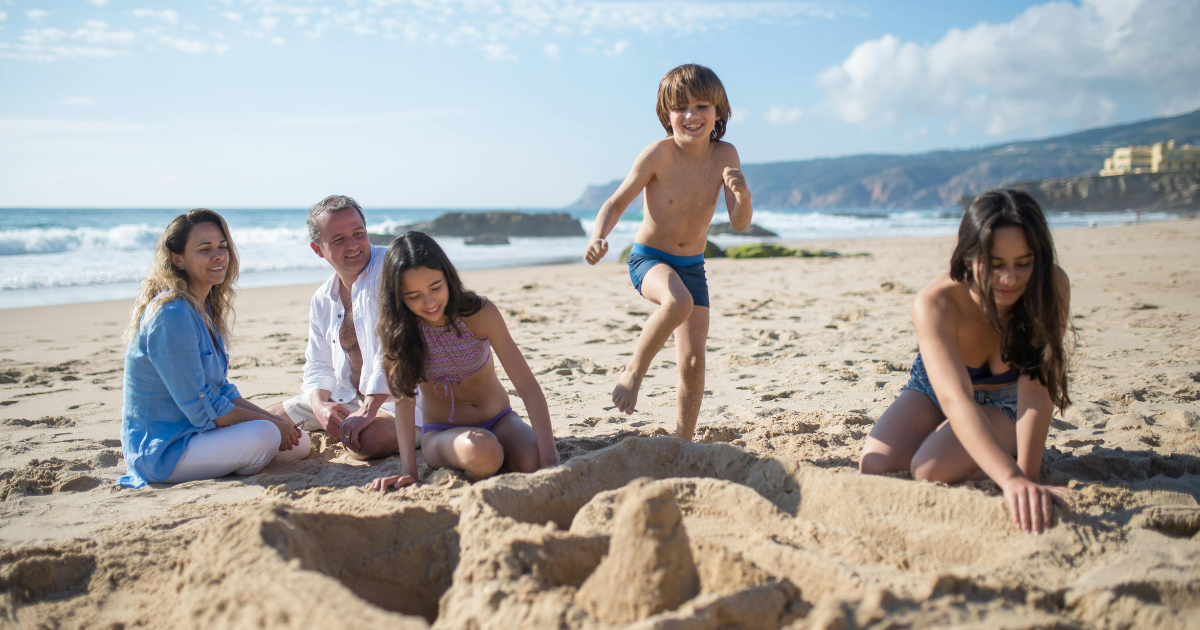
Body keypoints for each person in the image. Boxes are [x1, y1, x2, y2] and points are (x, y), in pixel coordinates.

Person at [859, 189, 1074, 535]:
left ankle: (1004, 446)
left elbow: (1036, 388)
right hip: (937, 387)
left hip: (1009, 401)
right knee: (876, 465)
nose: (1009, 279)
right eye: (996, 264)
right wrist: (1010, 476)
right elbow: (954, 399)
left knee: (928, 470)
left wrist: (1022, 479)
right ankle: (984, 451)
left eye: (1023, 263)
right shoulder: (935, 302)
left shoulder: (1051, 286)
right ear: (968, 256)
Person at [583, 63, 752, 441]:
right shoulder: (657, 154)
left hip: (692, 264)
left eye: (701, 107)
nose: (691, 116)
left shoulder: (725, 154)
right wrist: (598, 235)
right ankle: (633, 372)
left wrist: (742, 195)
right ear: (666, 114)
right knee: (677, 302)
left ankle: (683, 442)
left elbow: (739, 223)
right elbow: (616, 201)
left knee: (693, 361)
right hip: (650, 259)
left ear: (718, 112)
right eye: (681, 108)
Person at [119, 209, 309, 488]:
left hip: (200, 435)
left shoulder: (203, 307)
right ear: (177, 258)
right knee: (266, 435)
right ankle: (240, 460)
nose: (218, 255)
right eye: (204, 249)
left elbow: (222, 391)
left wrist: (279, 422)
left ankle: (240, 457)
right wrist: (273, 426)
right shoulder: (170, 315)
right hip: (164, 452)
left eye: (222, 247)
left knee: (300, 442)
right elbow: (205, 408)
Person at [369, 232, 559, 490]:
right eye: (414, 295)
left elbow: (528, 387)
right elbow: (404, 403)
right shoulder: (401, 333)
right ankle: (488, 460)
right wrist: (409, 471)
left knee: (533, 460)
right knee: (485, 453)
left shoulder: (480, 313)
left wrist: (550, 459)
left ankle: (497, 460)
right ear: (398, 297)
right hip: (442, 434)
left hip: (501, 419)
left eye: (435, 287)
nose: (429, 302)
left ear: (448, 276)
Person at [266, 195, 420, 458]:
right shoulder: (323, 298)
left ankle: (422, 432)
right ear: (317, 249)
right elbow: (318, 363)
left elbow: (396, 349)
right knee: (266, 423)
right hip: (349, 397)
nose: (353, 245)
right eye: (338, 239)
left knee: (364, 442)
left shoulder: (395, 269)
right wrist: (320, 406)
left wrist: (369, 410)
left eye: (359, 233)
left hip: (406, 401)